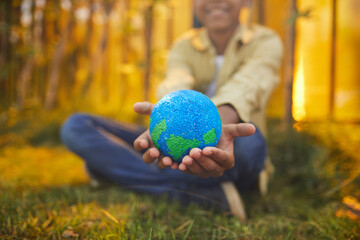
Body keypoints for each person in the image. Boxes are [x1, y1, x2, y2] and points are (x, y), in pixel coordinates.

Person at [60, 0, 283, 221]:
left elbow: (248, 84)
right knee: (77, 125)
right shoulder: (183, 45)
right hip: (178, 146)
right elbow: (177, 80)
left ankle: (113, 168)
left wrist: (219, 127)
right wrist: (166, 115)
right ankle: (205, 195)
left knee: (253, 142)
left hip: (231, 151)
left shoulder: (265, 41)